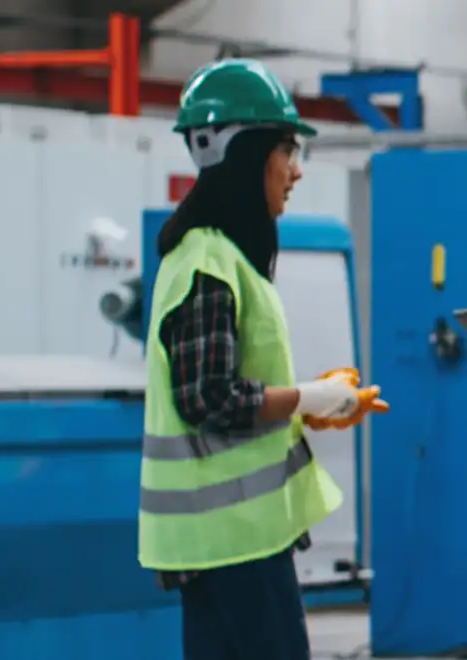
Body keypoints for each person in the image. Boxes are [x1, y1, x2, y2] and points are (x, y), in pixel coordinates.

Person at [138, 58, 372, 660]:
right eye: (286, 149)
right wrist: (309, 398)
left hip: (227, 542)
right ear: (246, 153)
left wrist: (308, 404)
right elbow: (208, 398)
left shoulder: (221, 258)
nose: (295, 169)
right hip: (232, 544)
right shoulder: (207, 264)